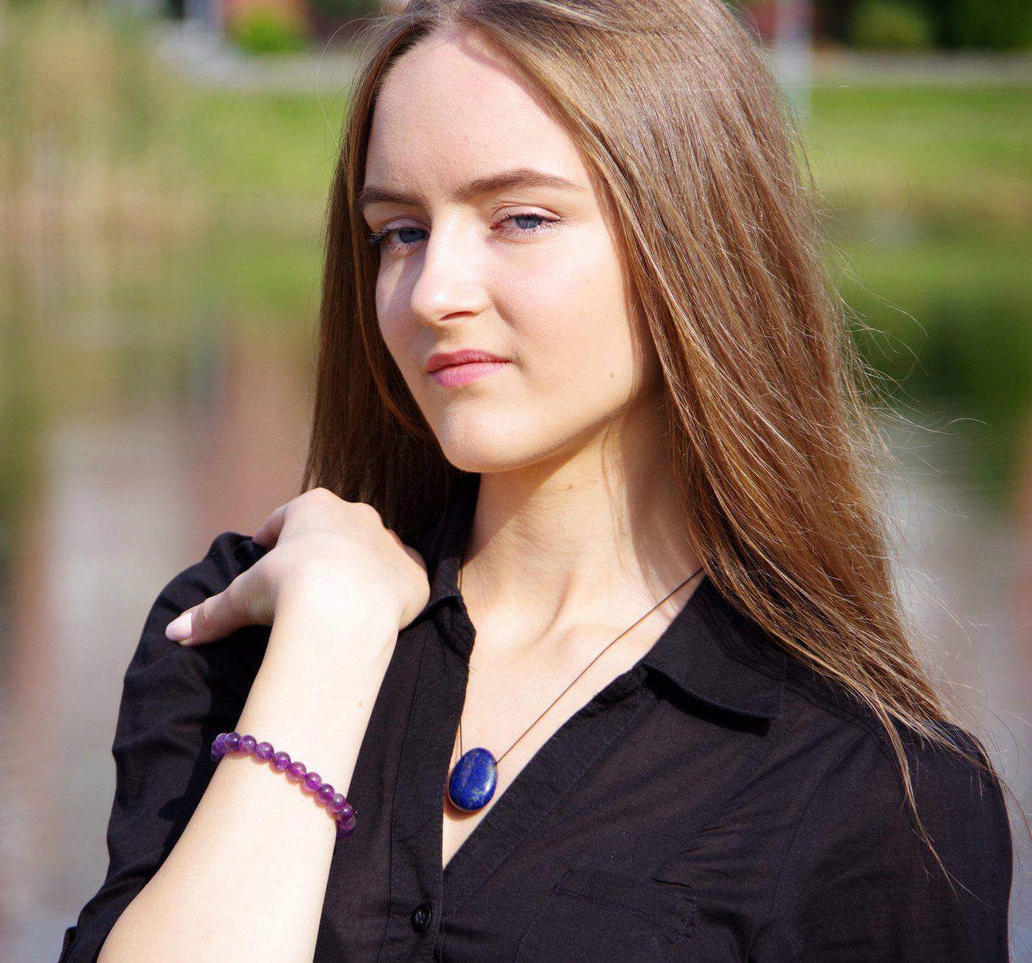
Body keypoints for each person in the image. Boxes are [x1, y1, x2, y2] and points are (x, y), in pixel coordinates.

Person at [60, 0, 1019, 959]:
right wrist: (324, 647)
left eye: (520, 218)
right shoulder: (239, 630)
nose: (433, 292)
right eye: (400, 231)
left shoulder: (878, 790)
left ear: (694, 238)